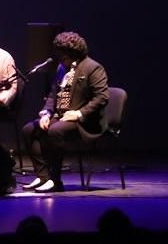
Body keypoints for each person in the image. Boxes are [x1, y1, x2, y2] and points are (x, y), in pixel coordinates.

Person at [21, 31, 109, 193]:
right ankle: (43, 176)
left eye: (64, 55)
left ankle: (55, 180)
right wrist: (47, 112)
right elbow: (53, 93)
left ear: (73, 53)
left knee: (55, 131)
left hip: (85, 122)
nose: (61, 59)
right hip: (61, 117)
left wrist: (79, 113)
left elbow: (102, 97)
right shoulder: (62, 68)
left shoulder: (93, 67)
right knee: (29, 130)